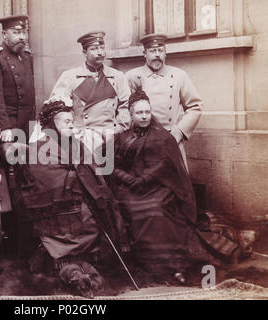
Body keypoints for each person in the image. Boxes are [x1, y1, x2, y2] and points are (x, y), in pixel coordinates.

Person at [3, 99, 128, 298]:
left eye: (71, 122)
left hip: (81, 202)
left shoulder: (78, 145)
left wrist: (84, 177)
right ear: (52, 125)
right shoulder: (38, 149)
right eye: (64, 122)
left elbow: (95, 168)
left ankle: (82, 270)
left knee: (93, 215)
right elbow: (41, 180)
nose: (70, 125)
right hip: (54, 210)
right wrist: (72, 177)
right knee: (72, 224)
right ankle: (71, 270)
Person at [113, 90, 222, 283]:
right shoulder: (121, 137)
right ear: (130, 114)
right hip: (129, 188)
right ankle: (149, 264)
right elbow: (111, 165)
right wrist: (127, 179)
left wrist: (144, 180)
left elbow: (165, 166)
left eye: (147, 112)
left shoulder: (163, 137)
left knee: (156, 209)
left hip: (159, 186)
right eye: (139, 113)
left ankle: (170, 265)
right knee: (131, 208)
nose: (145, 116)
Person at [125, 33, 202, 169]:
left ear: (165, 53)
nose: (157, 54)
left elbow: (195, 107)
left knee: (175, 183)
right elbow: (125, 108)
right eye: (152, 51)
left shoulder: (179, 76)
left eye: (160, 50)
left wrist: (178, 132)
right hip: (142, 142)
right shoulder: (132, 76)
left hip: (170, 139)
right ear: (145, 53)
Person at [50, 31, 131, 141]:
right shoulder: (70, 77)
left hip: (109, 137)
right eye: (94, 49)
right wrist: (72, 131)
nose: (100, 53)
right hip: (80, 138)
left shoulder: (117, 76)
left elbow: (125, 105)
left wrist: (119, 129)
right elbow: (57, 109)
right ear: (84, 53)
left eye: (102, 48)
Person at [0, 14, 36, 143]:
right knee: (9, 159)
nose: (22, 37)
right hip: (8, 122)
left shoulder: (27, 56)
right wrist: (5, 127)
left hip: (28, 122)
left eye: (24, 32)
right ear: (4, 34)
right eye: (16, 33)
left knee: (27, 159)